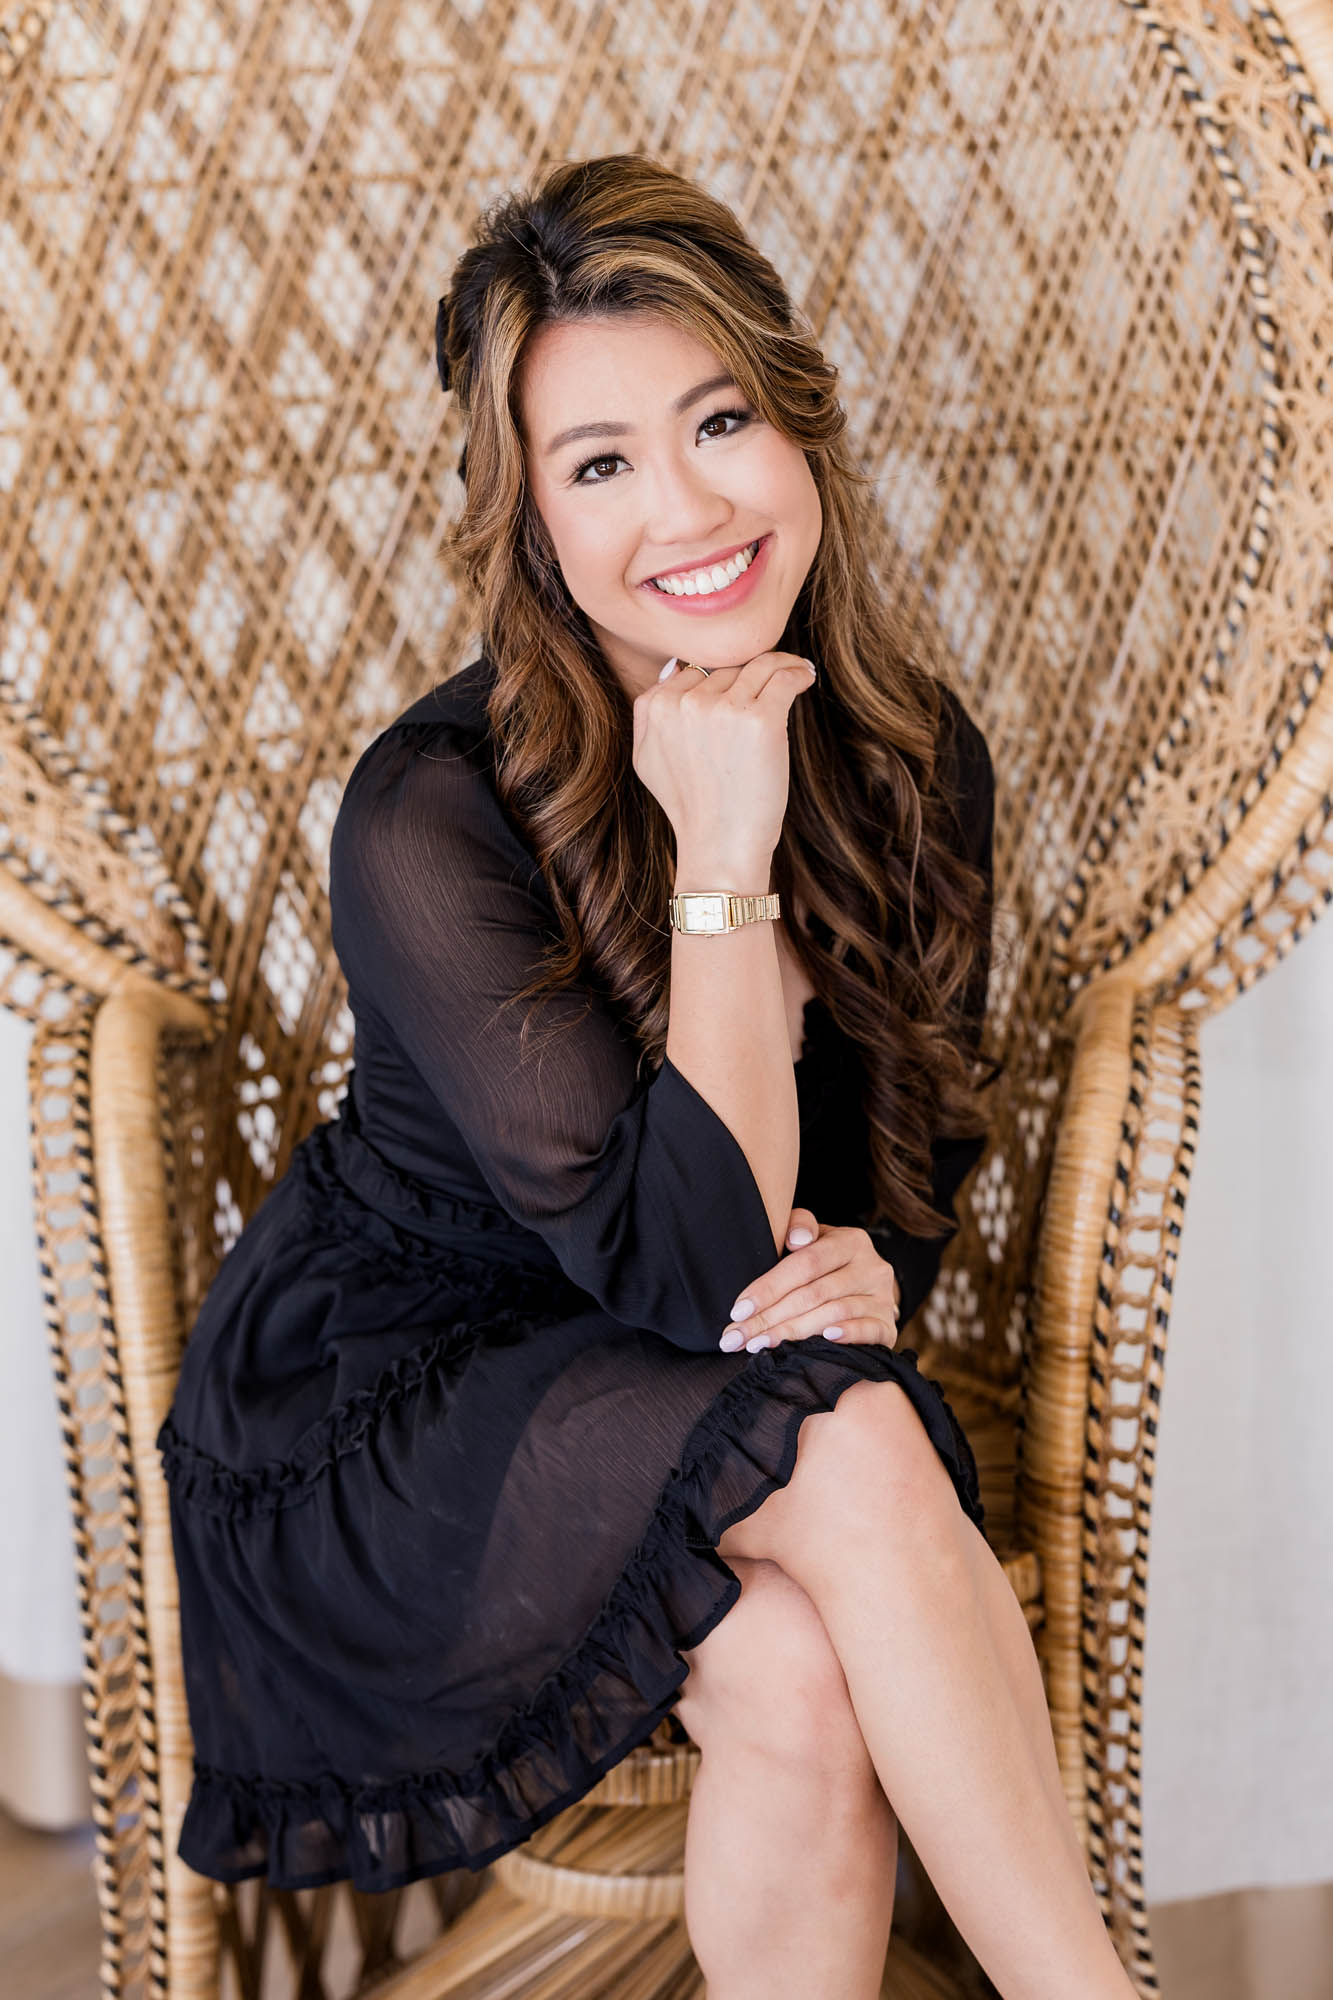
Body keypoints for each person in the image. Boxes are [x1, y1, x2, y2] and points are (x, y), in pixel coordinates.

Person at [156, 153, 1136, 1999]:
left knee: (792, 1662)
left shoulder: (914, 760)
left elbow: (895, 1183)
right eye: (598, 463)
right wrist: (719, 857)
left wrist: (871, 1268)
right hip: (402, 1413)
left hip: (693, 1365)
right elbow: (694, 1278)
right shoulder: (432, 811)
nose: (685, 507)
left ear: (800, 427)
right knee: (842, 1434)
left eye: (719, 423)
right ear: (531, 518)